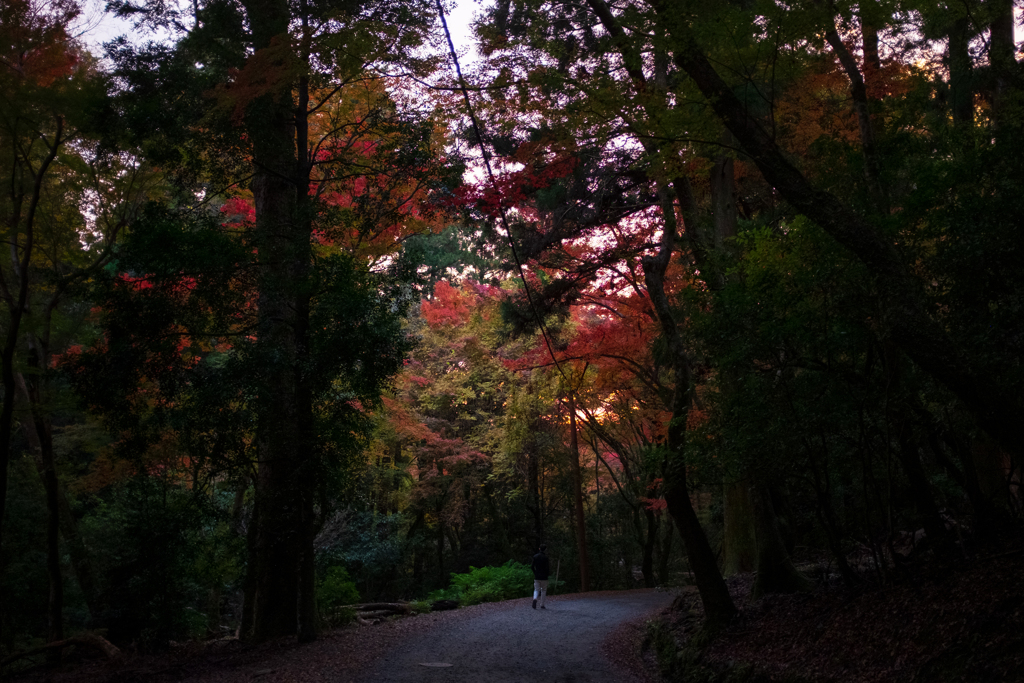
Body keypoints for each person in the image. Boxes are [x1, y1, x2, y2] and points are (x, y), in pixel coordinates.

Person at [531, 544, 550, 609]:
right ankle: (542, 604)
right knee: (544, 590)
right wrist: (547, 574)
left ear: (539, 549)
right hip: (544, 576)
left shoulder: (535, 556)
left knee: (536, 589)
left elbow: (532, 566)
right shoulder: (546, 558)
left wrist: (535, 572)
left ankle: (535, 598)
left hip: (537, 576)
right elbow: (547, 568)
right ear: (545, 550)